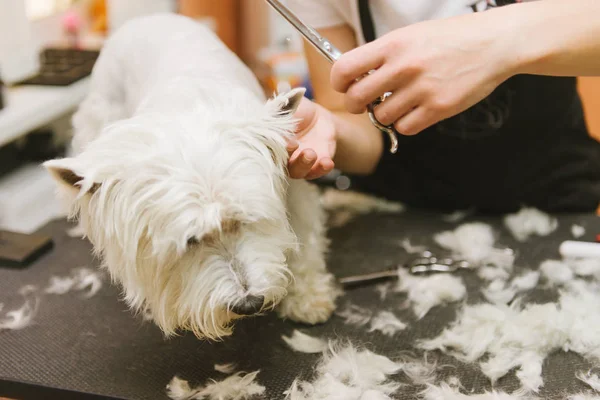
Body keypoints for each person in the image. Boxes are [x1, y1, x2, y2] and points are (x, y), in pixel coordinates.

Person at [284, 0, 600, 213]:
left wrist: (494, 43)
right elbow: (354, 120)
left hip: (554, 195)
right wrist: (331, 130)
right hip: (410, 211)